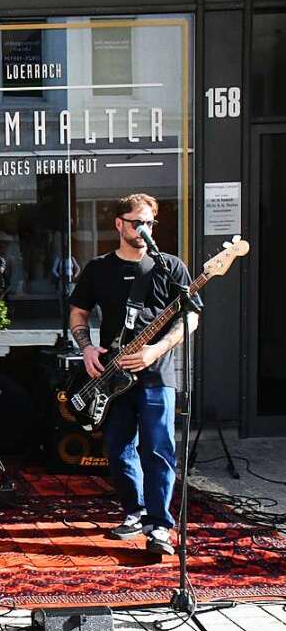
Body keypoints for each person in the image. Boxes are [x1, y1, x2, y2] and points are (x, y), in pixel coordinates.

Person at [68, 193, 199, 556]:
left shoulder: (170, 267)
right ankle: (134, 512)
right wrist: (88, 348)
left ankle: (160, 526)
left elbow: (190, 316)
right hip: (113, 376)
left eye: (150, 223)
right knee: (117, 447)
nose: (144, 229)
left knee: (158, 448)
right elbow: (78, 313)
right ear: (119, 224)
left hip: (157, 373)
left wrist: (156, 349)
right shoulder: (98, 268)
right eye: (137, 222)